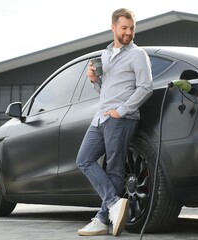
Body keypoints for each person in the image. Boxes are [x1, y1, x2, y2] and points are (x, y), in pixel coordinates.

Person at [76, 8, 153, 236]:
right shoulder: (105, 55)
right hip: (101, 117)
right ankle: (112, 204)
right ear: (113, 28)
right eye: (124, 28)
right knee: (84, 160)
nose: (129, 32)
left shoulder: (138, 55)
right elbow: (104, 91)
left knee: (115, 168)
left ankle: (102, 218)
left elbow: (145, 87)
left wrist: (122, 110)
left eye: (132, 28)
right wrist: (94, 80)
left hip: (121, 118)